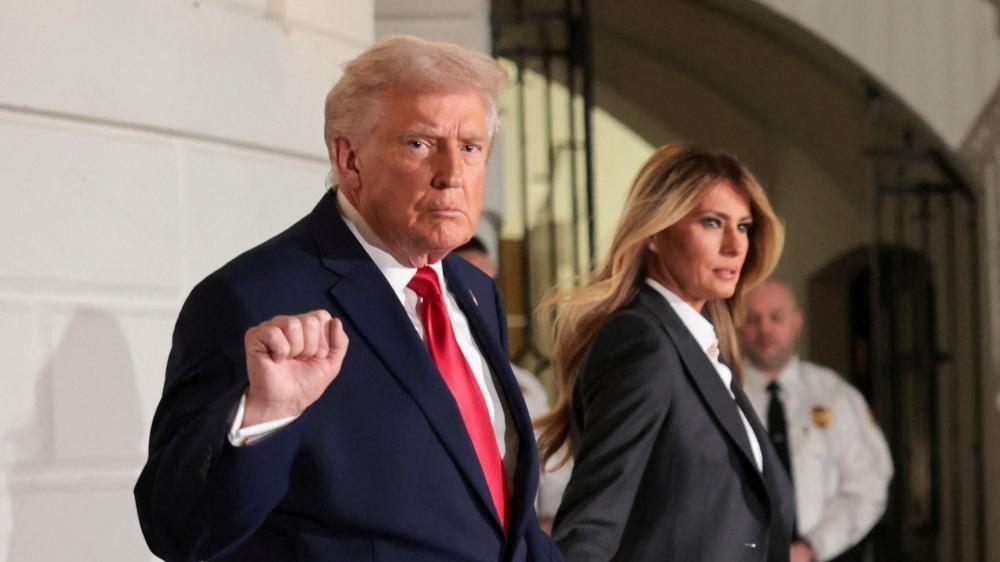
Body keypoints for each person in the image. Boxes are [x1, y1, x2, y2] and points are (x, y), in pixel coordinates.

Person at [134, 35, 561, 561]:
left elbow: (497, 511)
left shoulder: (476, 291)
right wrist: (264, 414)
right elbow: (179, 530)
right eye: (420, 143)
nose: (452, 174)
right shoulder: (251, 297)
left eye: (470, 147)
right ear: (350, 158)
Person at [537, 143, 794, 561]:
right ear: (655, 234)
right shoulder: (642, 341)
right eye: (712, 223)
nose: (735, 246)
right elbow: (595, 518)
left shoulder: (702, 347)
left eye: (744, 226)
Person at [738, 279, 893, 562]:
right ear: (739, 326)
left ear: (797, 322)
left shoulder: (837, 396)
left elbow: (868, 484)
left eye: (776, 317)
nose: (765, 329)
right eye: (753, 319)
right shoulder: (724, 395)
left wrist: (811, 548)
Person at [454, 237, 572, 532]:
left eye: (493, 282)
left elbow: (554, 481)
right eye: (473, 283)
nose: (485, 295)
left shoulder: (525, 385)